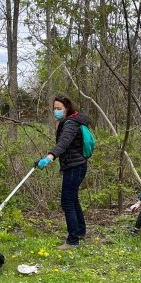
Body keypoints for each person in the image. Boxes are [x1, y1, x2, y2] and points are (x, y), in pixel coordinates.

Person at [35, 95, 90, 250]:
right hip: (77, 165)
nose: (56, 111)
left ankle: (72, 241)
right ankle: (80, 231)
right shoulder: (74, 121)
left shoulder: (71, 124)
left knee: (67, 202)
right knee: (73, 199)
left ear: (67, 109)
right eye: (55, 108)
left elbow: (63, 144)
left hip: (74, 167)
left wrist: (48, 158)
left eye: (59, 109)